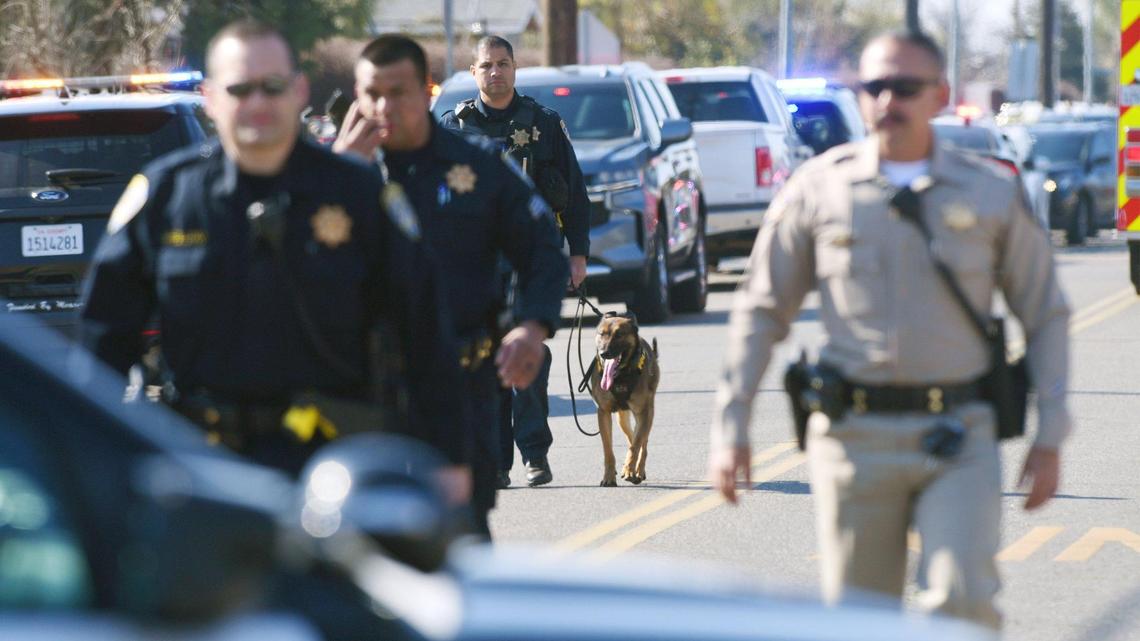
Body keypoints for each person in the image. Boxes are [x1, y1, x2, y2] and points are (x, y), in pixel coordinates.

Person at [707, 31, 1070, 629]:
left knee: (962, 603)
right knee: (857, 620)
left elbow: (1045, 313)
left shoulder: (989, 191)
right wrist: (732, 422)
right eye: (873, 87)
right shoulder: (819, 188)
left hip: (958, 434)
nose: (887, 100)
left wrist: (1051, 432)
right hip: (853, 438)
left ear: (939, 95)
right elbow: (761, 309)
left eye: (905, 87)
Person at [77, 20, 469, 503]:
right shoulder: (167, 197)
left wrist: (450, 459)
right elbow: (104, 339)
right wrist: (92, 460)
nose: (258, 103)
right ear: (210, 97)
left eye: (273, 86)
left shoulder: (359, 195)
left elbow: (425, 333)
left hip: (336, 467)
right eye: (240, 89)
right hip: (202, 472)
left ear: (299, 91)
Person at [332, 34, 568, 538]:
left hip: (456, 392)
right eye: (371, 93)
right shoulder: (335, 173)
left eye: (399, 92)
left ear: (426, 91)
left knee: (459, 536)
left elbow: (542, 244)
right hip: (360, 396)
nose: (383, 106)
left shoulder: (477, 166)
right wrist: (338, 173)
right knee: (359, 547)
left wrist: (531, 325)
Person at [439, 35, 591, 488]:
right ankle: (496, 463)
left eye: (504, 64)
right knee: (485, 359)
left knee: (528, 354)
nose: (496, 72)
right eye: (487, 65)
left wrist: (576, 254)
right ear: (474, 72)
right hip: (474, 262)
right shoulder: (452, 126)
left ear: (515, 68)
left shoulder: (543, 124)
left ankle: (534, 455)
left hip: (530, 259)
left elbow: (575, 193)